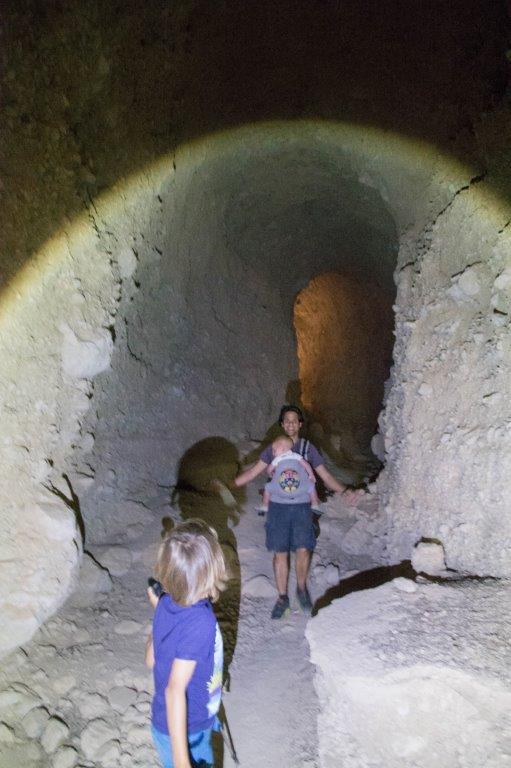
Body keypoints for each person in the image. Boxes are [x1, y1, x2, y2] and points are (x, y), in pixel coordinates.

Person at [234, 405, 354, 619]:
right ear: (282, 424)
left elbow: (325, 476)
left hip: (302, 507)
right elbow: (253, 472)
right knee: (280, 553)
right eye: (286, 420)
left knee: (303, 550)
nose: (290, 423)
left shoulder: (308, 448)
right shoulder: (274, 448)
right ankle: (282, 598)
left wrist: (345, 491)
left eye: (294, 420)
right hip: (279, 508)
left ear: (300, 424)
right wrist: (229, 484)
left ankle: (301, 588)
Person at [145, 519, 227, 768]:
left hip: (167, 724)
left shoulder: (166, 604)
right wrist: (183, 762)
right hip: (187, 732)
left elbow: (151, 660)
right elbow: (174, 691)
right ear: (213, 570)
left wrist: (158, 615)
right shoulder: (201, 620)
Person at [258, 435, 321, 513]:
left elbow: (269, 469)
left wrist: (271, 474)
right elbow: (307, 465)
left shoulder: (277, 459)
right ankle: (315, 504)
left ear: (282, 449)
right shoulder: (297, 456)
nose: (273, 453)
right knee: (311, 486)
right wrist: (311, 475)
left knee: (267, 487)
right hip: (298, 489)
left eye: (274, 450)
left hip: (281, 490)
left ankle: (265, 506)